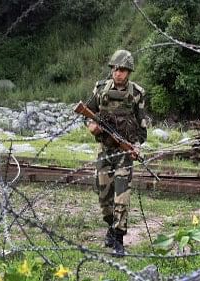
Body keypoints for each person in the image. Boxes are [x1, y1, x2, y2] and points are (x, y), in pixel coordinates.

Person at [86, 49, 147, 255]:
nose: (118, 73)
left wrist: (137, 146)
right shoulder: (100, 88)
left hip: (124, 154)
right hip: (105, 151)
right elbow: (88, 112)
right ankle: (111, 228)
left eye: (122, 70)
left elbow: (141, 125)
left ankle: (119, 238)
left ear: (128, 72)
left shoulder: (137, 93)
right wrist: (91, 125)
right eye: (115, 69)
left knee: (122, 198)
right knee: (104, 199)